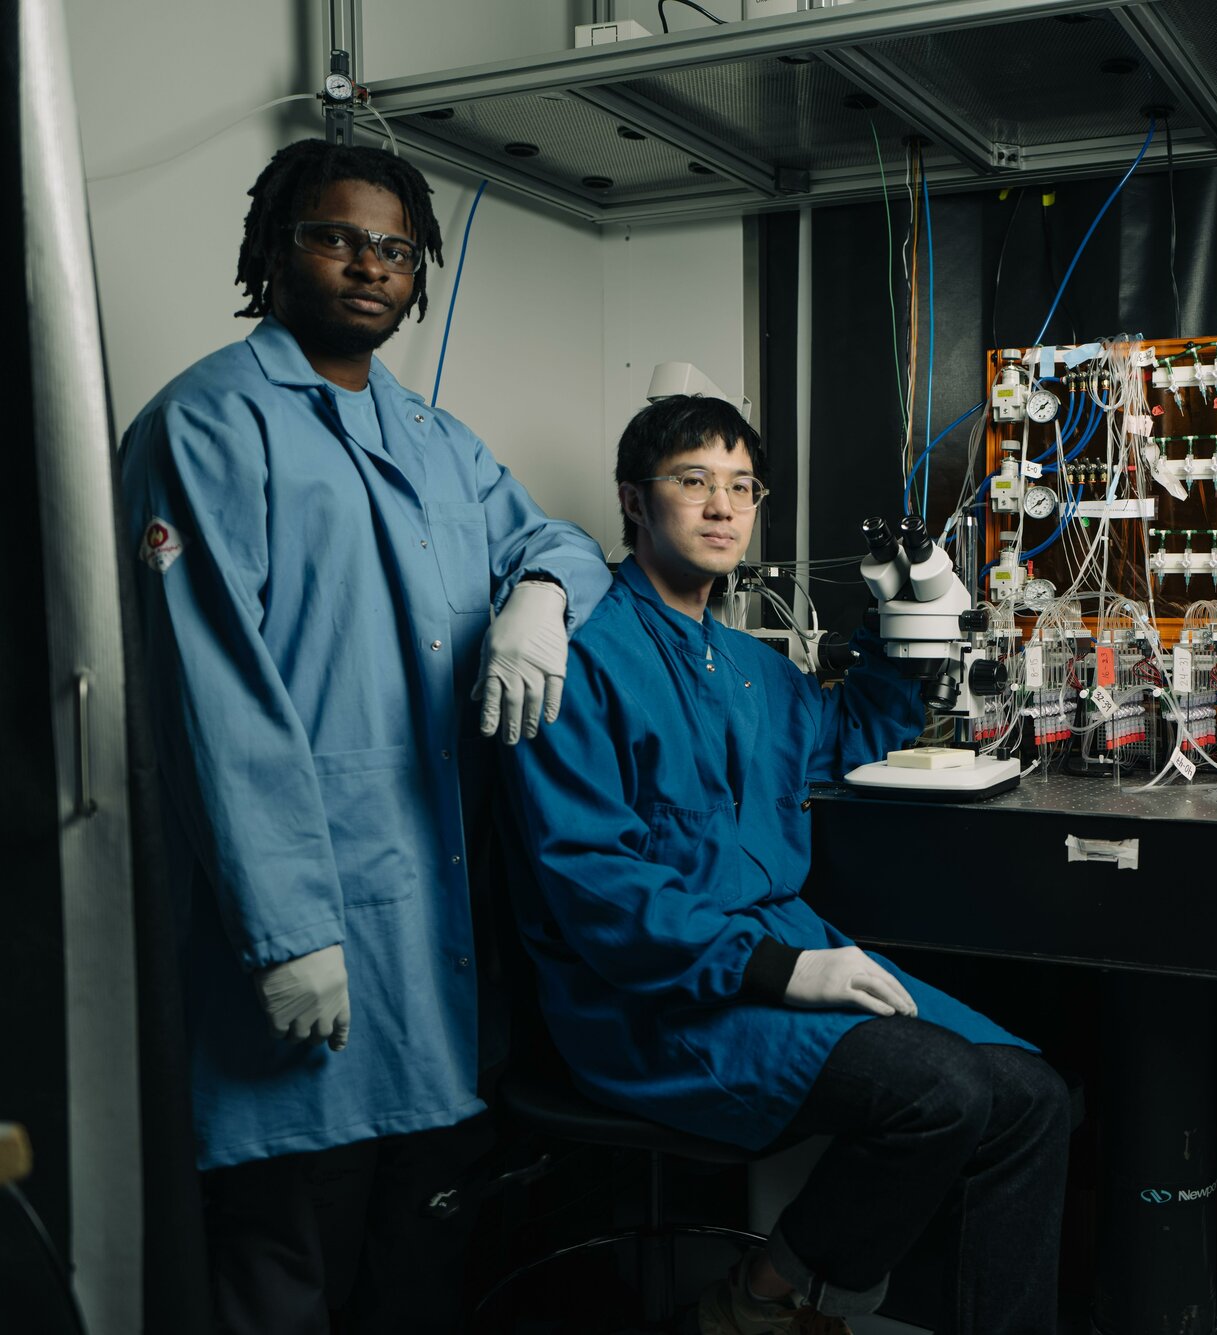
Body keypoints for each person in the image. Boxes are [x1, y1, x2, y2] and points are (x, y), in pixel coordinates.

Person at [120, 139, 612, 1334]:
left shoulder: (436, 439)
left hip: (433, 938)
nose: (368, 267)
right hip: (303, 928)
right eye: (334, 236)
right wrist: (286, 933)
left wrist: (538, 600)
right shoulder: (207, 425)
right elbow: (209, 697)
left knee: (417, 1265)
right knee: (281, 1267)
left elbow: (559, 543)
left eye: (395, 248)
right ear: (271, 251)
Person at [499, 395, 1071, 1335]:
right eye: (693, 482)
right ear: (633, 502)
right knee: (942, 1091)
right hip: (653, 1001)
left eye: (741, 486)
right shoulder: (580, 658)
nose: (723, 507)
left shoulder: (746, 664)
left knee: (1034, 1100)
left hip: (777, 955)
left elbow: (845, 733)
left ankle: (789, 1294)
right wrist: (782, 969)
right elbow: (596, 886)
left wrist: (907, 624)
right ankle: (766, 1300)